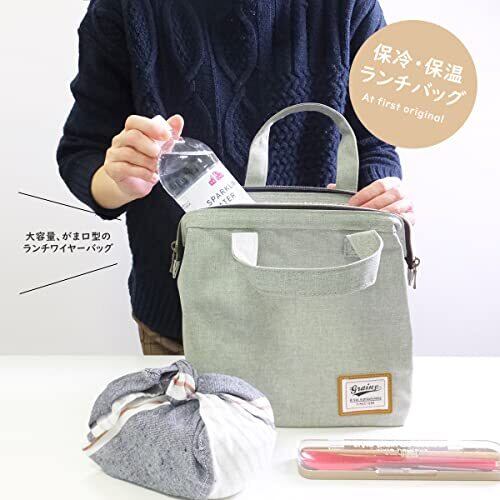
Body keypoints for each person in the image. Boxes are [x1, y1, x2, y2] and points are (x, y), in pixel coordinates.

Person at [57, 0, 415, 355]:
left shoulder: (350, 7)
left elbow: (374, 144)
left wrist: (383, 195)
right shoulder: (123, 9)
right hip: (183, 315)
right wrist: (118, 181)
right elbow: (83, 150)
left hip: (328, 305)